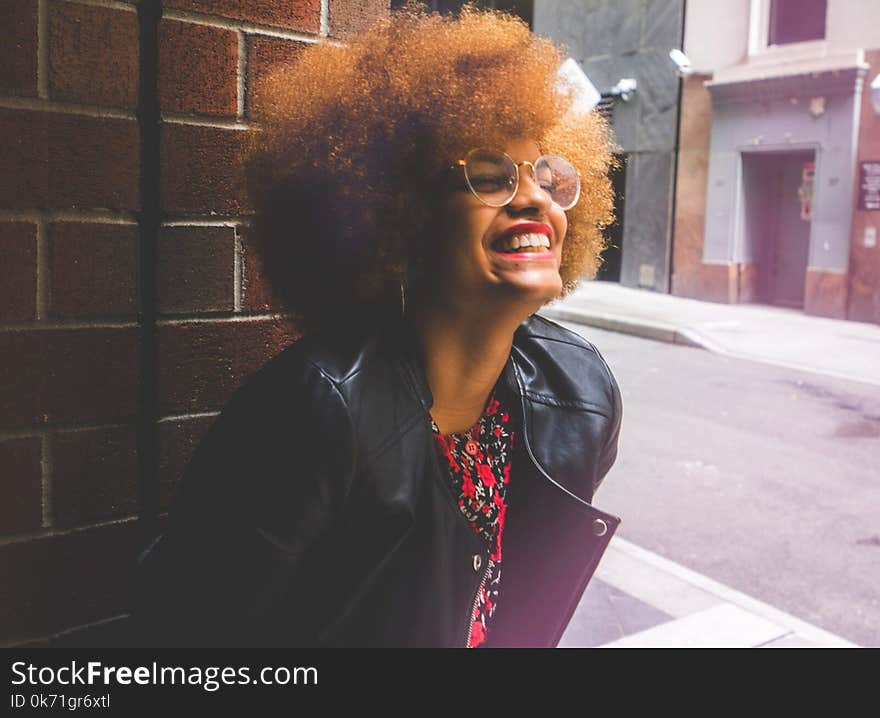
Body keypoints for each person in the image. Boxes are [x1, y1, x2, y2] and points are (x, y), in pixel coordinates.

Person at [134, 3, 623, 648]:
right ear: (400, 217)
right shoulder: (311, 414)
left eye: (549, 177)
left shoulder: (581, 397)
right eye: (488, 176)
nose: (533, 198)